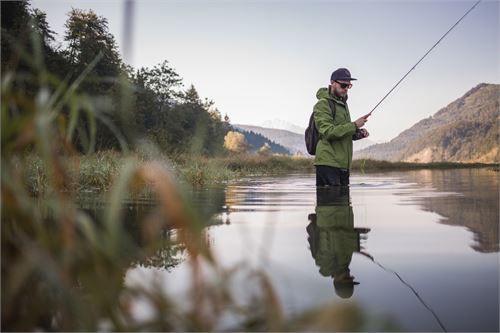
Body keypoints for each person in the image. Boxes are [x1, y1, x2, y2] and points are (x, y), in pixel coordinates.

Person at [306, 186, 370, 298]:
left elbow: (329, 235)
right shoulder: (344, 263)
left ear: (336, 281)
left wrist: (355, 234)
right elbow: (342, 242)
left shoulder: (326, 265)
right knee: (339, 185)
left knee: (330, 185)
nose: (349, 275)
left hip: (329, 212)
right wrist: (357, 241)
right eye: (350, 278)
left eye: (346, 278)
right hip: (341, 211)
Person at [313, 68, 370, 186]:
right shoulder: (323, 104)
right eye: (343, 85)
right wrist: (354, 125)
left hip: (343, 164)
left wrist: (358, 133)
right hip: (328, 163)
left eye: (348, 86)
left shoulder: (343, 105)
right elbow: (327, 132)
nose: (346, 89)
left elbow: (343, 131)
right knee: (331, 203)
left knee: (343, 204)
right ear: (332, 83)